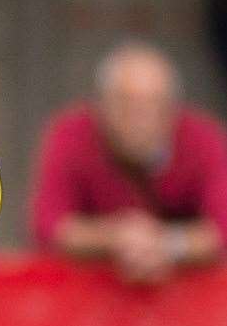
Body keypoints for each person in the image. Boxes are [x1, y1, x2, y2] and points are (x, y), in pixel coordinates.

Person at [28, 41, 227, 281]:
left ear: (174, 108)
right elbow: (48, 226)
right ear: (102, 105)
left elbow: (221, 228)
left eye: (154, 105)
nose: (141, 120)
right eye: (127, 105)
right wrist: (115, 237)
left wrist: (169, 244)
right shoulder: (70, 135)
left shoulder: (204, 140)